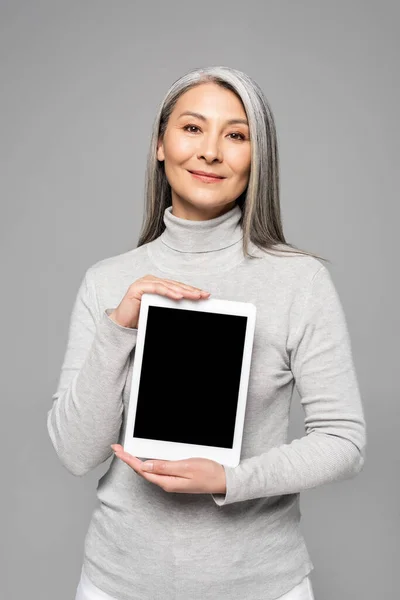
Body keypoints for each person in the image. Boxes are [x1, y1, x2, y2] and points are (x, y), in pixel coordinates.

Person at [47, 66, 367, 600]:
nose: (211, 152)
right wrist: (120, 326)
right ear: (159, 143)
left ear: (256, 157)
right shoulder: (106, 281)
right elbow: (77, 453)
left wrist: (228, 479)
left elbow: (344, 442)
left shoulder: (300, 280)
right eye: (192, 128)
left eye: (236, 135)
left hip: (262, 584)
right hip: (117, 583)